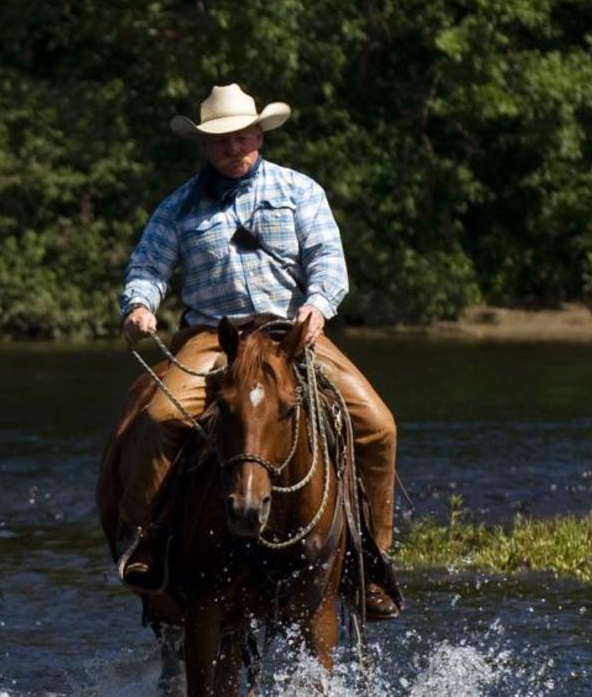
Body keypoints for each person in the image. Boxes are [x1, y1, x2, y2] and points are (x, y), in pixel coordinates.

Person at [112, 84, 401, 620]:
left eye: (242, 136)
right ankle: (149, 541)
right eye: (220, 141)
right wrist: (139, 305)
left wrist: (317, 307)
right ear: (203, 145)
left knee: (378, 425)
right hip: (209, 338)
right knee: (157, 415)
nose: (233, 148)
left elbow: (327, 262)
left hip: (289, 336)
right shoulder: (178, 206)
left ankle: (371, 558)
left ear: (260, 134)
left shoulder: (300, 191)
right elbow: (148, 267)